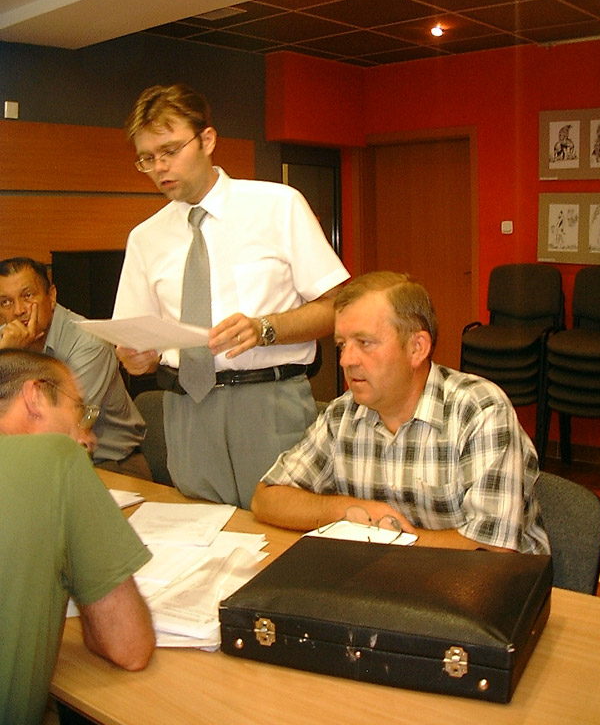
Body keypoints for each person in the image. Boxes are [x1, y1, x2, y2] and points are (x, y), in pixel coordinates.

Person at [114, 83, 349, 509]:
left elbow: (339, 307)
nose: (159, 167)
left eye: (170, 151)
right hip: (186, 408)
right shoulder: (145, 238)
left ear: (207, 140)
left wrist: (266, 328)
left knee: (285, 527)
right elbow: (135, 342)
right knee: (200, 529)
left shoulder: (277, 205)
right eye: (147, 158)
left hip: (269, 400)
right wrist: (135, 357)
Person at [252, 271, 550, 554]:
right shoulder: (343, 414)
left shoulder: (480, 411)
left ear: (417, 348)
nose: (346, 360)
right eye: (342, 345)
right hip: (384, 579)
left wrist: (390, 539)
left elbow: (492, 549)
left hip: (481, 583)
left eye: (365, 343)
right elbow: (266, 498)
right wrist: (348, 510)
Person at [0, 349, 155, 725]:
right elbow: (128, 646)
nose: (89, 438)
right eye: (81, 412)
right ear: (35, 396)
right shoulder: (56, 457)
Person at [0, 257, 147, 474]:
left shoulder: (90, 344)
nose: (18, 310)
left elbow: (63, 427)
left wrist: (11, 360)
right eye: (6, 302)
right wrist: (8, 355)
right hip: (41, 461)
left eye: (28, 296)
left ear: (51, 296)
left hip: (111, 465)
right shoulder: (7, 340)